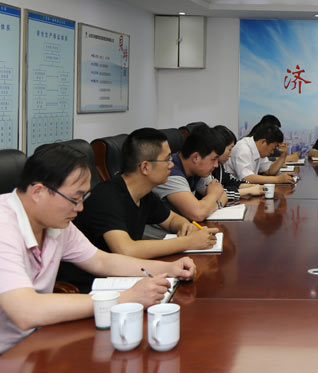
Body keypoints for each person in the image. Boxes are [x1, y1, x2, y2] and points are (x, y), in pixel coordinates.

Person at [0, 143, 196, 354]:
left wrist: (170, 268)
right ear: (38, 192)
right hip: (9, 351)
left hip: (39, 339)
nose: (80, 208)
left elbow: (102, 261)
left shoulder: (55, 222)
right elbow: (25, 310)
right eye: (74, 199)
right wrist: (124, 298)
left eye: (82, 198)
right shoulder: (4, 226)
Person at [57, 129, 218, 292]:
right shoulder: (106, 196)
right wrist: (189, 241)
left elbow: (171, 220)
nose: (171, 164)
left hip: (122, 276)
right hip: (90, 287)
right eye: (167, 159)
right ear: (145, 167)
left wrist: (185, 226)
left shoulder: (144, 193)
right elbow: (126, 250)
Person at [151, 124, 228, 221]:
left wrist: (213, 204)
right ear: (195, 157)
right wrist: (213, 195)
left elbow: (222, 194)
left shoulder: (198, 170)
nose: (216, 165)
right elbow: (198, 214)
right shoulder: (170, 172)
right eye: (213, 159)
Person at [225, 123, 295, 184]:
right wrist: (278, 179)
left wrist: (283, 156)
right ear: (263, 142)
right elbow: (247, 178)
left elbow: (269, 171)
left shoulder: (258, 149)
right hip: (233, 190)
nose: (272, 152)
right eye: (273, 148)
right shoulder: (243, 149)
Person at [212, 125, 264, 197]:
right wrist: (248, 191)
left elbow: (230, 181)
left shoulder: (219, 166)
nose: (230, 154)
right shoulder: (207, 169)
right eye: (229, 150)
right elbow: (216, 194)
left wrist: (251, 186)